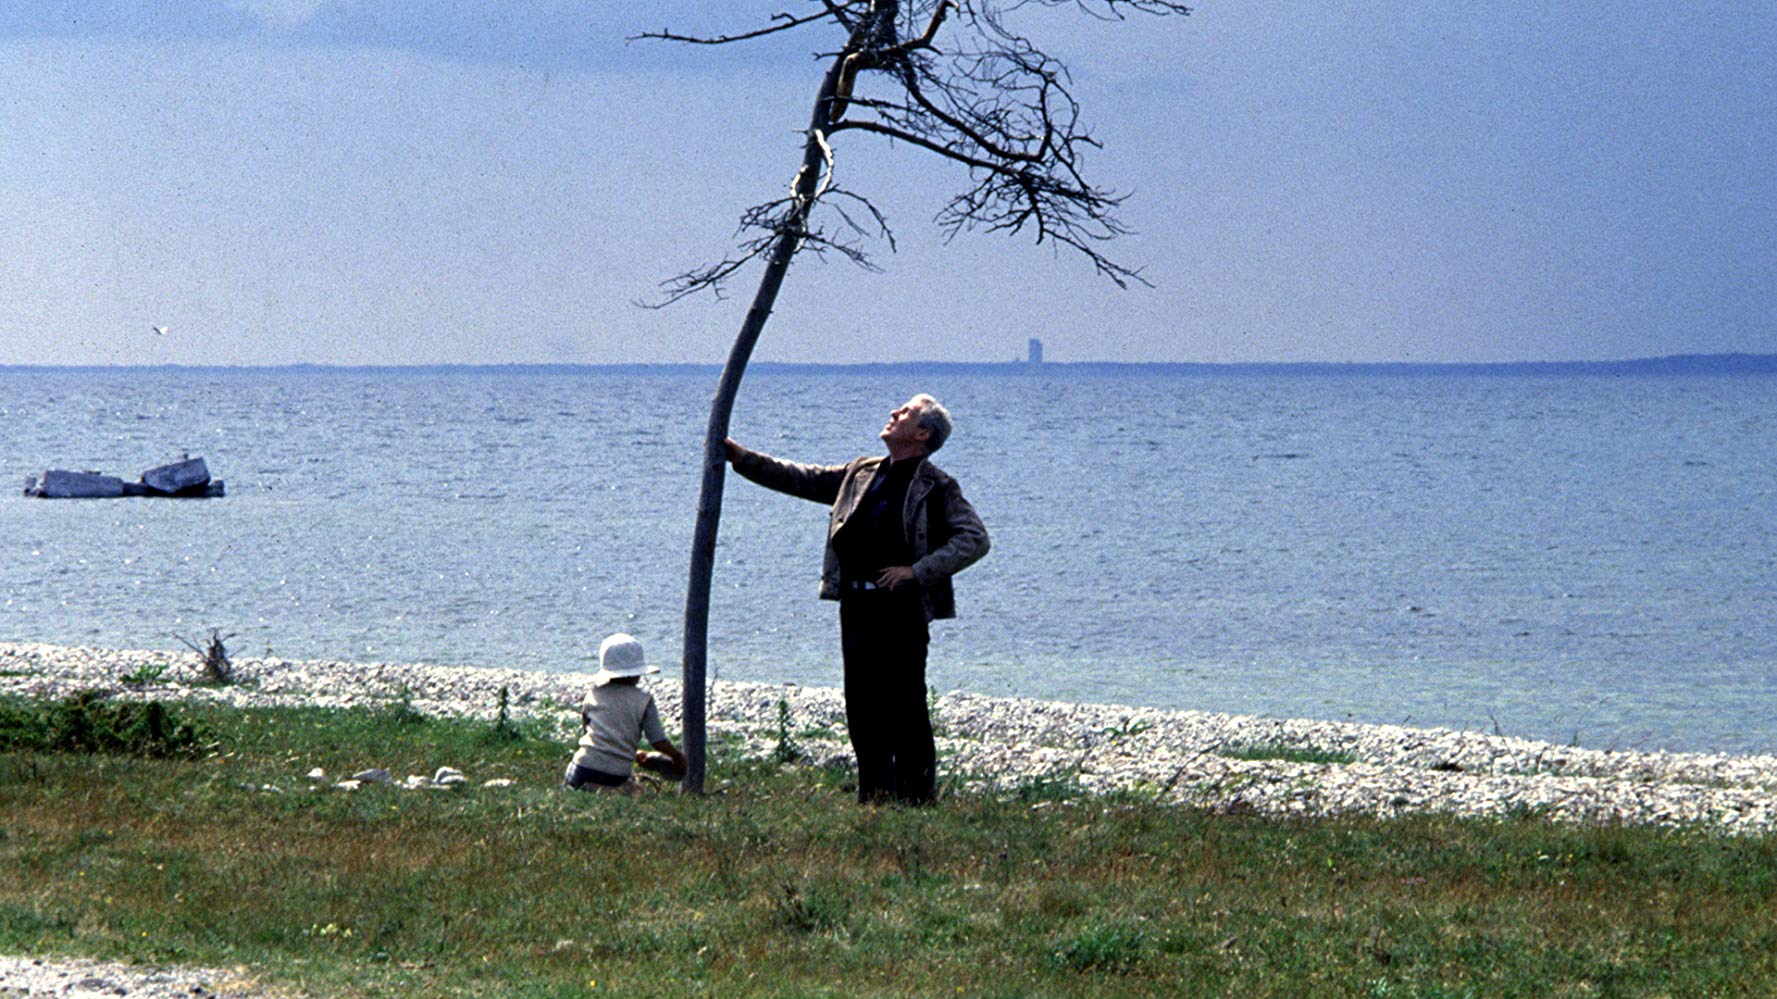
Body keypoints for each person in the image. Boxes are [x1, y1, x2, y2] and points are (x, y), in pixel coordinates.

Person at [725, 393, 990, 805]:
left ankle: (918, 799)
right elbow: (802, 478)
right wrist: (741, 458)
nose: (892, 414)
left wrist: (916, 572)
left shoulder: (937, 486)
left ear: (922, 434)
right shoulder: (860, 472)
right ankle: (875, 798)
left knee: (905, 705)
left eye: (904, 413)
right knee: (862, 705)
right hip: (856, 604)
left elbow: (974, 539)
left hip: (900, 609)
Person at [563, 633, 688, 793]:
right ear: (637, 673)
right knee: (631, 790)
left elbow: (589, 732)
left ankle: (578, 788)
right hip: (615, 774)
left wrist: (629, 752)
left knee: (574, 789)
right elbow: (657, 741)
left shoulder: (593, 694)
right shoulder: (644, 700)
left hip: (581, 768)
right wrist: (677, 756)